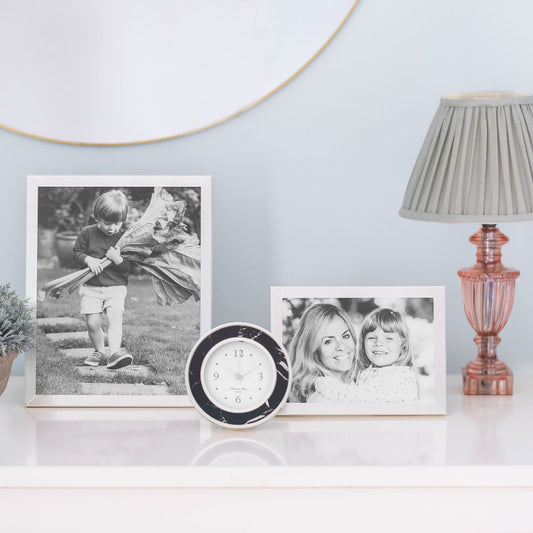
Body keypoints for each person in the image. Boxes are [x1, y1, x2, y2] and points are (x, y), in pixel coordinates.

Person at [72, 190, 133, 370]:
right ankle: (99, 351)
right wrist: (87, 259)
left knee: (115, 318)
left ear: (123, 220)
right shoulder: (87, 233)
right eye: (107, 223)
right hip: (91, 287)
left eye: (117, 223)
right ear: (97, 217)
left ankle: (114, 354)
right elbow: (76, 253)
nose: (112, 228)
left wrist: (117, 259)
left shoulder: (124, 239)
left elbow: (128, 267)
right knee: (92, 323)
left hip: (116, 287)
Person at [288, 303, 359, 403]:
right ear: (313, 351)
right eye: (328, 341)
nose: (341, 346)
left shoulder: (360, 381)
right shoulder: (322, 399)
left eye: (345, 336)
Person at [356, 308, 418, 402]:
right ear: (363, 342)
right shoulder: (364, 373)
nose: (379, 343)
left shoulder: (402, 376)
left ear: (403, 346)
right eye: (372, 338)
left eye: (388, 338)